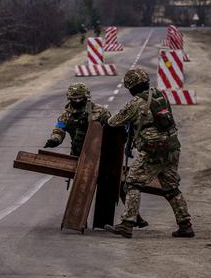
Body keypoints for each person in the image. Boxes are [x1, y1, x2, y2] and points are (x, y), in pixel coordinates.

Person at [104, 68, 194, 239]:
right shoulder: (160, 95)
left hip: (153, 150)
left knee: (132, 183)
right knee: (171, 188)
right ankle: (185, 225)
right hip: (172, 148)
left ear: (131, 87)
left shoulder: (136, 102)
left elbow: (113, 121)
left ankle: (127, 223)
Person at [45, 82, 147, 228]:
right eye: (75, 98)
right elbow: (59, 130)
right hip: (80, 156)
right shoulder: (65, 116)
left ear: (86, 97)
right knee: (80, 188)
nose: (77, 101)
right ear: (69, 98)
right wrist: (54, 140)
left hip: (103, 155)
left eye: (80, 98)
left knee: (119, 184)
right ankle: (79, 221)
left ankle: (135, 217)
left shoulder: (100, 112)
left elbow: (114, 127)